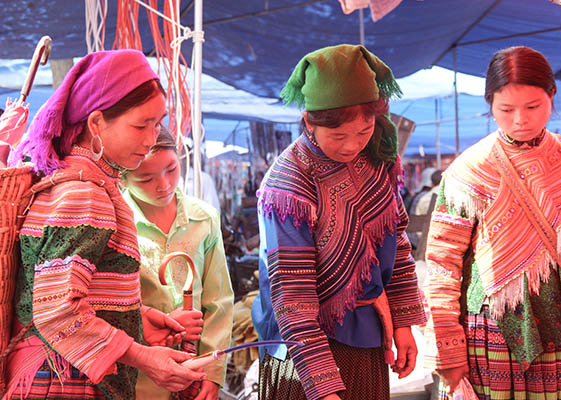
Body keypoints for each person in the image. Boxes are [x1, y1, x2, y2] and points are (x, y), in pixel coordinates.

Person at [3, 50, 206, 399]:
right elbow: (56, 310)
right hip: (61, 381)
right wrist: (143, 357)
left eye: (158, 125)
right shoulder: (86, 194)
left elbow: (71, 292)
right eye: (140, 125)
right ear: (96, 123)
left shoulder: (73, 182)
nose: (150, 139)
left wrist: (133, 316)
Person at [251, 44, 427, 400]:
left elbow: (398, 242)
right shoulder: (288, 186)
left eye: (363, 132)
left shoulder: (377, 162)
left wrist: (405, 322)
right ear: (308, 122)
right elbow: (293, 297)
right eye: (338, 136)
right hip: (299, 355)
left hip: (366, 338)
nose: (351, 146)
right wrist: (323, 389)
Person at [424, 45, 561, 399]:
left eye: (533, 106)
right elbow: (443, 264)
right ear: (490, 104)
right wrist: (447, 346)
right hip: (492, 337)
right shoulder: (469, 172)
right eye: (506, 109)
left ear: (552, 95)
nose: (520, 119)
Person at [122, 127, 234, 400]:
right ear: (123, 178)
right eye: (146, 178)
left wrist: (214, 371)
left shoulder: (204, 218)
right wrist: (151, 323)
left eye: (171, 169)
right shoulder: (116, 223)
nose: (164, 185)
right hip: (137, 377)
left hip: (196, 370)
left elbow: (218, 300)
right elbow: (107, 303)